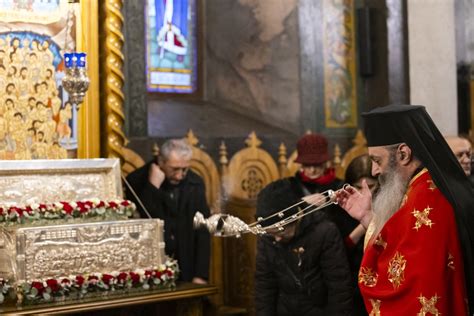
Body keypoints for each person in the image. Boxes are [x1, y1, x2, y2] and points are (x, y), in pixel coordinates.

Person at [334, 104, 474, 315]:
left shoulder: (429, 200)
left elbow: (409, 288)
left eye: (377, 160)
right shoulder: (424, 186)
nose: (374, 170)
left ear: (403, 154)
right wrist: (367, 217)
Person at [254, 178, 353, 315]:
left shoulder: (324, 231)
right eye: (271, 234)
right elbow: (264, 286)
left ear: (296, 218)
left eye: (280, 231)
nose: (276, 238)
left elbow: (339, 288)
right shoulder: (267, 237)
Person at [125, 138, 210, 284]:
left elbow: (202, 231)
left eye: (184, 169)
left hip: (187, 267)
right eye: (174, 169)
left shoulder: (195, 183)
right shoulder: (136, 181)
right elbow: (145, 223)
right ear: (161, 161)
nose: (180, 175)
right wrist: (153, 188)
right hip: (152, 269)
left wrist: (201, 275)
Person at [343, 154, 379, 316]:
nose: (366, 193)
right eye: (358, 187)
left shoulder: (393, 202)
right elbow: (339, 252)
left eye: (371, 186)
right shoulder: (342, 206)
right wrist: (366, 225)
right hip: (352, 286)